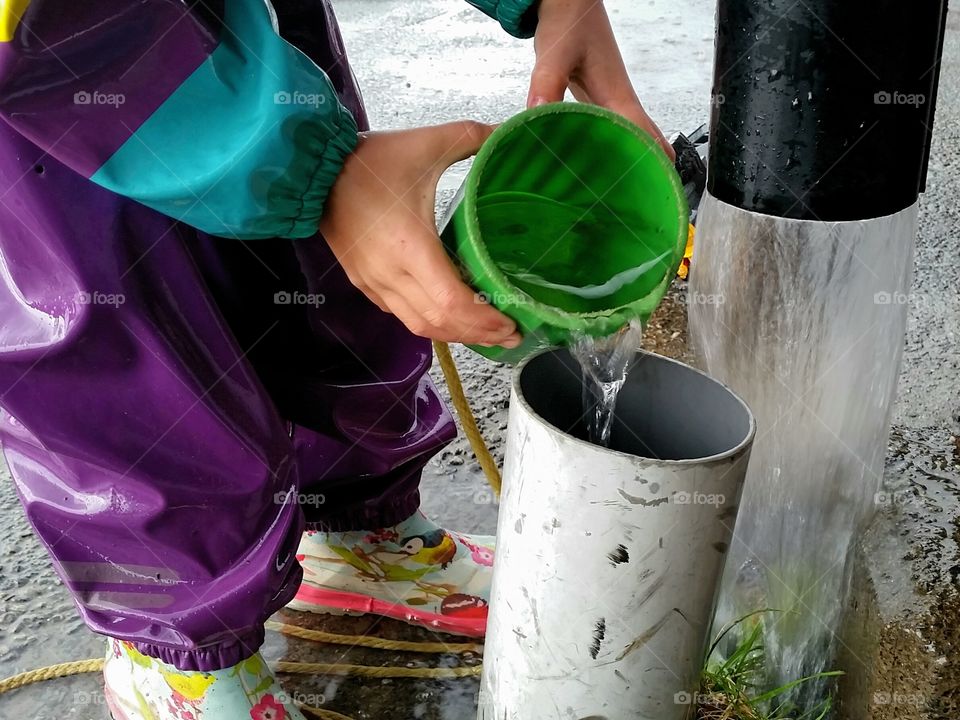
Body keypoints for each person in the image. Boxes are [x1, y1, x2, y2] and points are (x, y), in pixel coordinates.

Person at [0, 1, 672, 717]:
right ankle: (176, 658)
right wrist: (307, 168)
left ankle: (356, 529)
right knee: (146, 360)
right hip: (63, 76)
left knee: (317, 278)